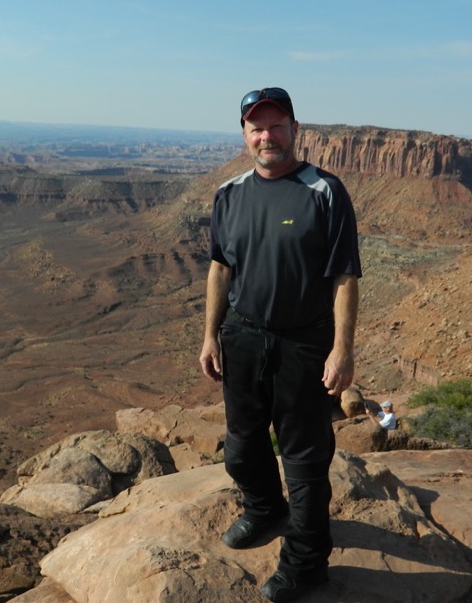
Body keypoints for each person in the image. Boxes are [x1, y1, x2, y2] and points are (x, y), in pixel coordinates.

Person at [199, 87, 362, 602]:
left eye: (275, 126)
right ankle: (265, 509)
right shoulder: (230, 193)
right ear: (245, 134)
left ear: (295, 129)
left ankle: (306, 561)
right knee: (242, 450)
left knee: (305, 461)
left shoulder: (325, 191)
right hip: (243, 336)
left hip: (303, 343)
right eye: (256, 127)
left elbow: (345, 275)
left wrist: (342, 349)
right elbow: (221, 267)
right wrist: (209, 334)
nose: (266, 136)